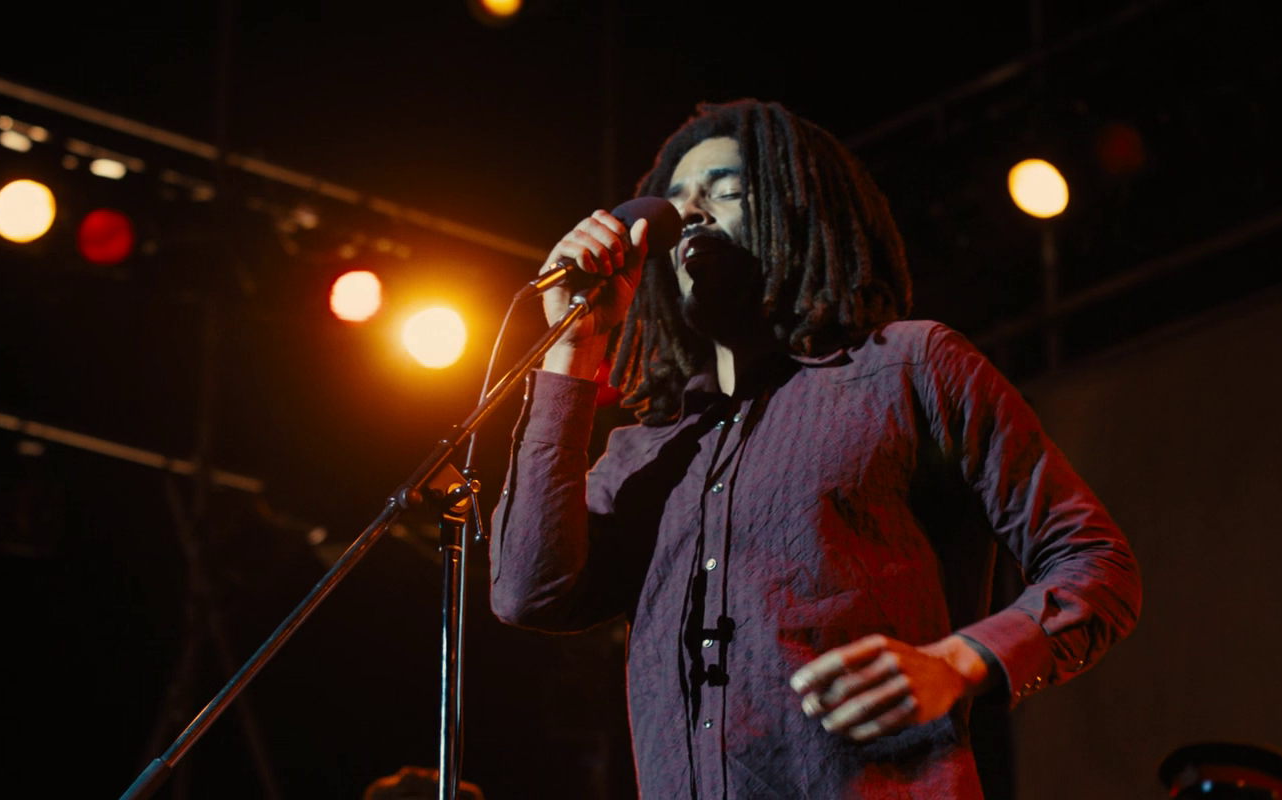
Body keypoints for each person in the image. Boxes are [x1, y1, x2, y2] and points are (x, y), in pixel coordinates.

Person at [489, 99, 1141, 799]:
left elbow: (1097, 564)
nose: (690, 214)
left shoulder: (908, 366)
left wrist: (959, 661)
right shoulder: (643, 453)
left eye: (727, 191)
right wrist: (571, 349)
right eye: (676, 201)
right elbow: (529, 592)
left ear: (799, 214)